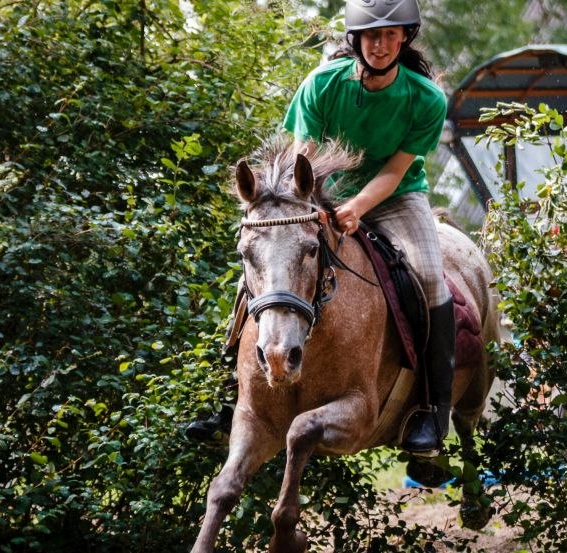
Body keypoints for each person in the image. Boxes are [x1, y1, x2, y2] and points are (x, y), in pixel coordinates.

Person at [187, 0, 454, 456]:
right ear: (356, 40)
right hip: (320, 192)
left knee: (430, 276)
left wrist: (357, 206)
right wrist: (306, 209)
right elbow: (303, 156)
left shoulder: (426, 98)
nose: (381, 44)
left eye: (391, 35)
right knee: (267, 268)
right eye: (372, 35)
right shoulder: (321, 85)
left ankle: (434, 409)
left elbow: (395, 172)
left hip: (397, 197)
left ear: (405, 37)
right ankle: (225, 400)